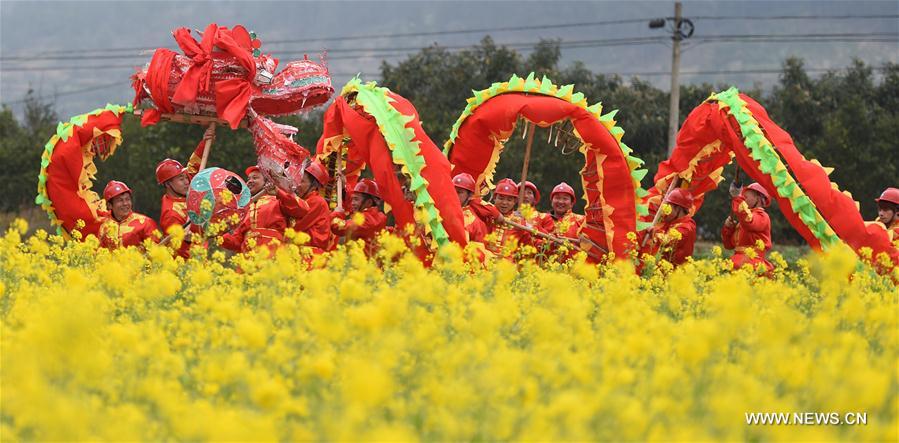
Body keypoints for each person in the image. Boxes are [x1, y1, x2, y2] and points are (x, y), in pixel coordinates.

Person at [220, 166, 288, 254]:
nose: (249, 181)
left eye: (255, 178)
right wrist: (221, 232)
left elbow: (300, 209)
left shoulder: (279, 201)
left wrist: (279, 193)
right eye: (248, 179)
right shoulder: (243, 209)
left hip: (273, 254)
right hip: (248, 259)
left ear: (267, 182)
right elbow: (236, 242)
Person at [276, 160, 333, 251]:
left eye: (301, 181)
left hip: (311, 254)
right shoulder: (303, 200)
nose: (296, 184)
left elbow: (295, 226)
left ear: (314, 186)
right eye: (296, 180)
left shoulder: (317, 201)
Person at [721, 182, 773, 272]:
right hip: (737, 261)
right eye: (743, 198)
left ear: (758, 198)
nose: (743, 200)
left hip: (753, 263)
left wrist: (737, 198)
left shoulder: (762, 216)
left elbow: (748, 221)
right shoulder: (743, 221)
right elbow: (728, 245)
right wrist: (728, 227)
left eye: (746, 197)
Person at [331, 178, 387, 255]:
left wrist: (336, 214)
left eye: (356, 199)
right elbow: (351, 206)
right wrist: (344, 188)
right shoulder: (379, 216)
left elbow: (339, 228)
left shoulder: (365, 219)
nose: (352, 203)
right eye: (353, 199)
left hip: (358, 264)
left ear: (369, 202)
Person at [98, 180, 160, 249]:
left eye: (127, 199)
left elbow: (157, 253)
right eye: (120, 200)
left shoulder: (146, 223)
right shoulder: (104, 227)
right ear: (109, 205)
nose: (125, 203)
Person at [642, 188, 696, 265]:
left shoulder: (687, 227)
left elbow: (666, 240)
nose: (665, 211)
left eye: (669, 207)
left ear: (678, 208)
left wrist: (653, 231)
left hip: (675, 274)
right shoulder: (671, 222)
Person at [453, 173, 488, 243]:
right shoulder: (440, 212)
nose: (454, 194)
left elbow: (478, 251)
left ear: (470, 196)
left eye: (459, 192)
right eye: (453, 190)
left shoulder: (476, 223)